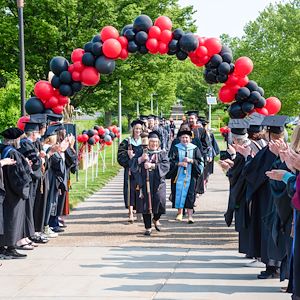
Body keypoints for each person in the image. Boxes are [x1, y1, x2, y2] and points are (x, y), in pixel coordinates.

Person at [243, 115, 288, 279]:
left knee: (271, 230)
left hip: (269, 197)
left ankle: (272, 266)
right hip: (276, 195)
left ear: (269, 132)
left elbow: (252, 171)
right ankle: (273, 266)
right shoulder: (285, 148)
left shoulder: (270, 150)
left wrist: (248, 157)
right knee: (274, 230)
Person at [0, 127, 32, 259]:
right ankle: (11, 248)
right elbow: (18, 176)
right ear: (15, 140)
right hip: (14, 193)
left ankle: (2, 247)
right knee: (12, 219)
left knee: (4, 219)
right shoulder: (13, 153)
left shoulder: (3, 150)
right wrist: (28, 169)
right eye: (19, 139)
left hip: (4, 191)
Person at [130, 131, 169, 236]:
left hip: (158, 183)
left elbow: (166, 166)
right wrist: (140, 159)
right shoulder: (141, 152)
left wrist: (152, 166)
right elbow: (132, 164)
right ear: (148, 142)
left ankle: (156, 218)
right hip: (144, 182)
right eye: (152, 142)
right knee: (146, 205)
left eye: (156, 142)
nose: (154, 144)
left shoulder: (162, 153)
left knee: (160, 202)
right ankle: (148, 227)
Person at [168, 128, 204, 223]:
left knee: (190, 194)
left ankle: (190, 216)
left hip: (191, 176)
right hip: (178, 176)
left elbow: (200, 162)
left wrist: (191, 161)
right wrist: (179, 163)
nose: (185, 139)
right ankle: (179, 213)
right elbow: (170, 161)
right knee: (178, 193)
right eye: (183, 137)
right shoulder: (176, 147)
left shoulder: (195, 148)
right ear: (180, 139)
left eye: (187, 137)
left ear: (190, 139)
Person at [117, 120, 143, 222]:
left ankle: (140, 211)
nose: (138, 131)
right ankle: (130, 213)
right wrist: (129, 159)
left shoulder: (145, 141)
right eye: (136, 128)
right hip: (130, 170)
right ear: (132, 129)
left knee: (140, 189)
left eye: (140, 129)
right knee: (130, 190)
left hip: (141, 170)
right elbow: (120, 157)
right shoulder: (126, 142)